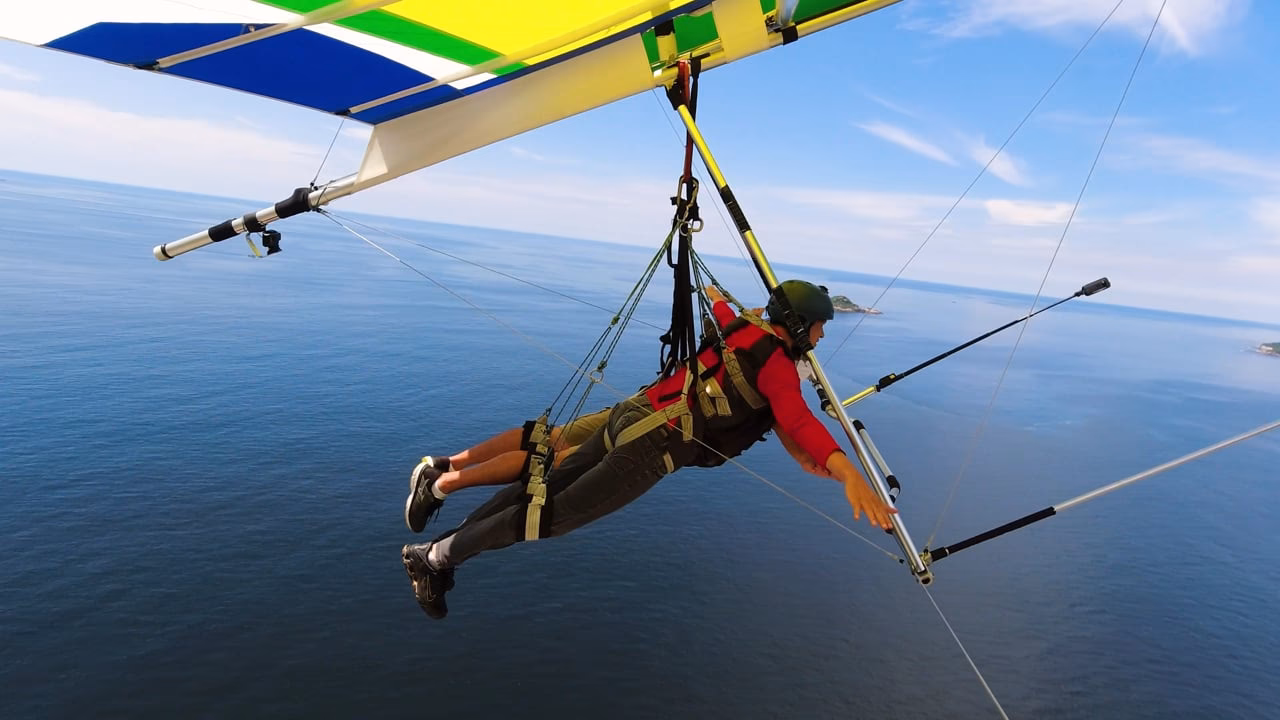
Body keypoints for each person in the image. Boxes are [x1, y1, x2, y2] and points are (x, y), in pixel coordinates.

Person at [402, 280, 897, 619]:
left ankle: (438, 549)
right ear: (799, 324)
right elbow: (798, 419)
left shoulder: (741, 324)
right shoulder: (777, 367)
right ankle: (435, 559)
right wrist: (848, 472)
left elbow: (719, 304)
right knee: (545, 516)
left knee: (540, 492)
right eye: (819, 326)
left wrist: (715, 291)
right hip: (651, 445)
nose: (821, 336)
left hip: (633, 414)